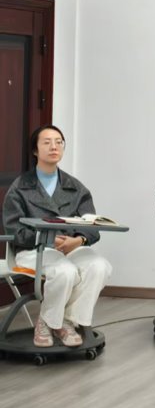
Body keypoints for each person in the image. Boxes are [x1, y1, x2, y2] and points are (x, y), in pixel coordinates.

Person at [2, 125, 112, 348]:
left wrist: (79, 240)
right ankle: (48, 322)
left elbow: (92, 226)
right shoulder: (20, 188)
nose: (54, 146)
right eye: (47, 142)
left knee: (99, 266)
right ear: (35, 150)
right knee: (64, 270)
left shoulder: (75, 187)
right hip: (33, 250)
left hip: (71, 247)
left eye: (59, 142)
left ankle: (65, 320)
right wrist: (48, 240)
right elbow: (14, 231)